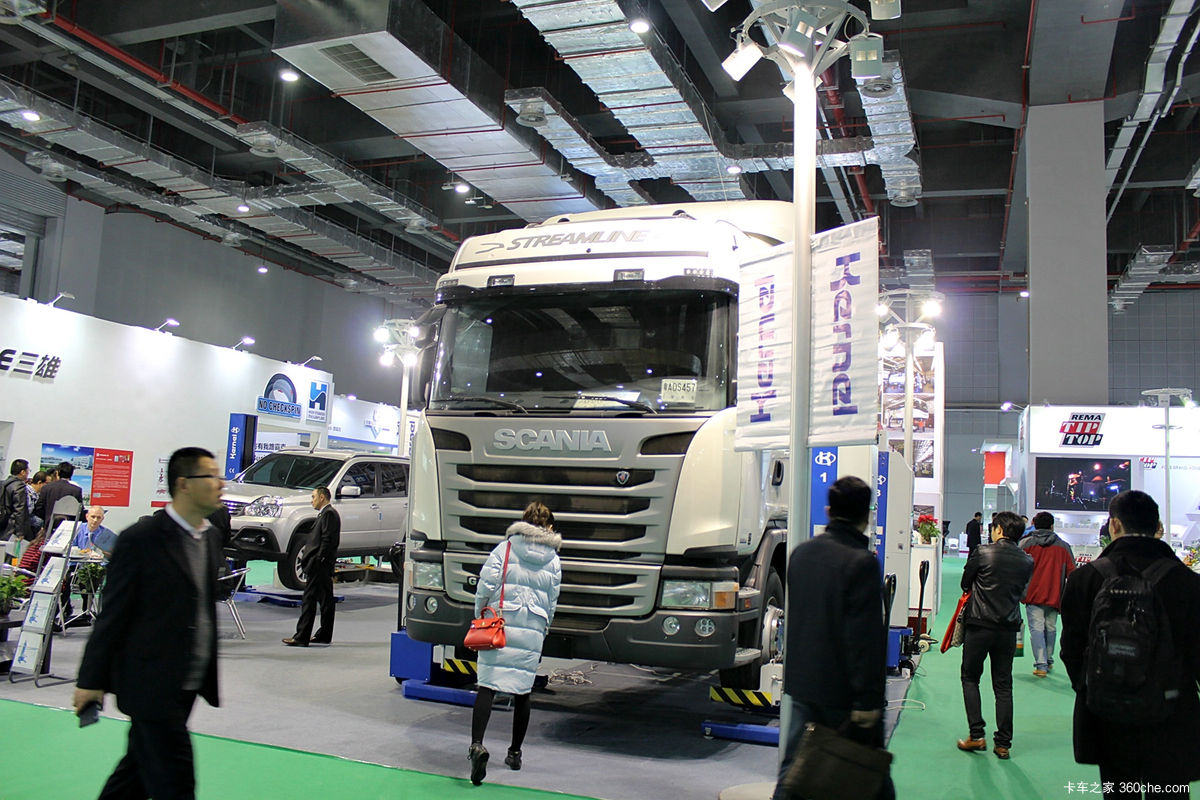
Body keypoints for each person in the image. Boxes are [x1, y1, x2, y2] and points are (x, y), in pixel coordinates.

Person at [74, 447, 226, 799]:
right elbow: (113, 615)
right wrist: (90, 680)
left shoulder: (210, 537)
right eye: (211, 476)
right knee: (176, 783)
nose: (220, 484)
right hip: (149, 683)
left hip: (188, 681)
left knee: (135, 775)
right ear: (184, 484)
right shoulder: (141, 539)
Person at [1060, 490, 1200, 798]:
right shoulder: (1187, 582)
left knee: (1120, 789)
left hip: (1108, 712)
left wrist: (1092, 687)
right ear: (1157, 526)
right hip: (1171, 710)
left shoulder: (1086, 578)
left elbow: (1071, 649)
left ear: (1114, 525)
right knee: (1169, 789)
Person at [775, 476, 894, 800]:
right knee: (866, 778)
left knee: (795, 775)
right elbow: (863, 639)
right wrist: (868, 701)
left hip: (803, 685)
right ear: (867, 516)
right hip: (843, 694)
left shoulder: (800, 554)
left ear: (828, 511)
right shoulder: (861, 563)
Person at [468, 501, 562, 786]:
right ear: (548, 525)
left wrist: (480, 613)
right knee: (523, 691)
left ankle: (477, 745)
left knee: (487, 686)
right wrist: (544, 628)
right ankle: (515, 754)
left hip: (500, 625)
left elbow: (485, 585)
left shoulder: (505, 549)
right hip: (532, 628)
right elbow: (552, 600)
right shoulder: (553, 560)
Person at [957, 510, 1033, 760]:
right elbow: (1022, 593)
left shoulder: (983, 552)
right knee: (1003, 685)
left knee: (970, 678)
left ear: (999, 530)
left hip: (979, 625)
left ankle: (976, 735)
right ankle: (1003, 744)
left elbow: (965, 583)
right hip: (1008, 627)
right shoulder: (1027, 560)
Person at [283, 486, 341, 647]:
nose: (312, 501)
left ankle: (301, 636)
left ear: (322, 497)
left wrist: (318, 559)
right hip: (322, 564)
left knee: (309, 599)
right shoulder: (326, 514)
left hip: (319, 565)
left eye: (313, 497)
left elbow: (327, 540)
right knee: (325, 600)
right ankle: (324, 634)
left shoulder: (328, 514)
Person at [1020, 511, 1075, 677]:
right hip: (1055, 595)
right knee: (1051, 628)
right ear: (1052, 526)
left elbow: (1017, 568)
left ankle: (1041, 664)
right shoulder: (1064, 546)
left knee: (1036, 629)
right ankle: (1048, 659)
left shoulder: (1025, 544)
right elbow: (1072, 573)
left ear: (1034, 525)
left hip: (1033, 594)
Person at [33, 461, 83, 534]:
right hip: (68, 529)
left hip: (49, 527)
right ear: (71, 474)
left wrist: (47, 517)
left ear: (57, 473)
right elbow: (80, 511)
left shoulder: (46, 488)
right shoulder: (76, 490)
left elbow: (39, 508)